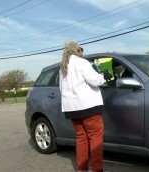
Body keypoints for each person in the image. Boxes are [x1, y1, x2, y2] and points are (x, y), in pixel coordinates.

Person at [59, 41, 105, 172]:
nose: (82, 52)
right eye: (81, 49)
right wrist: (102, 76)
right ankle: (97, 169)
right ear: (76, 50)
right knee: (95, 137)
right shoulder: (82, 63)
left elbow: (61, 89)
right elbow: (95, 80)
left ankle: (82, 169)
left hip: (72, 109)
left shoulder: (63, 68)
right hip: (88, 106)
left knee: (81, 138)